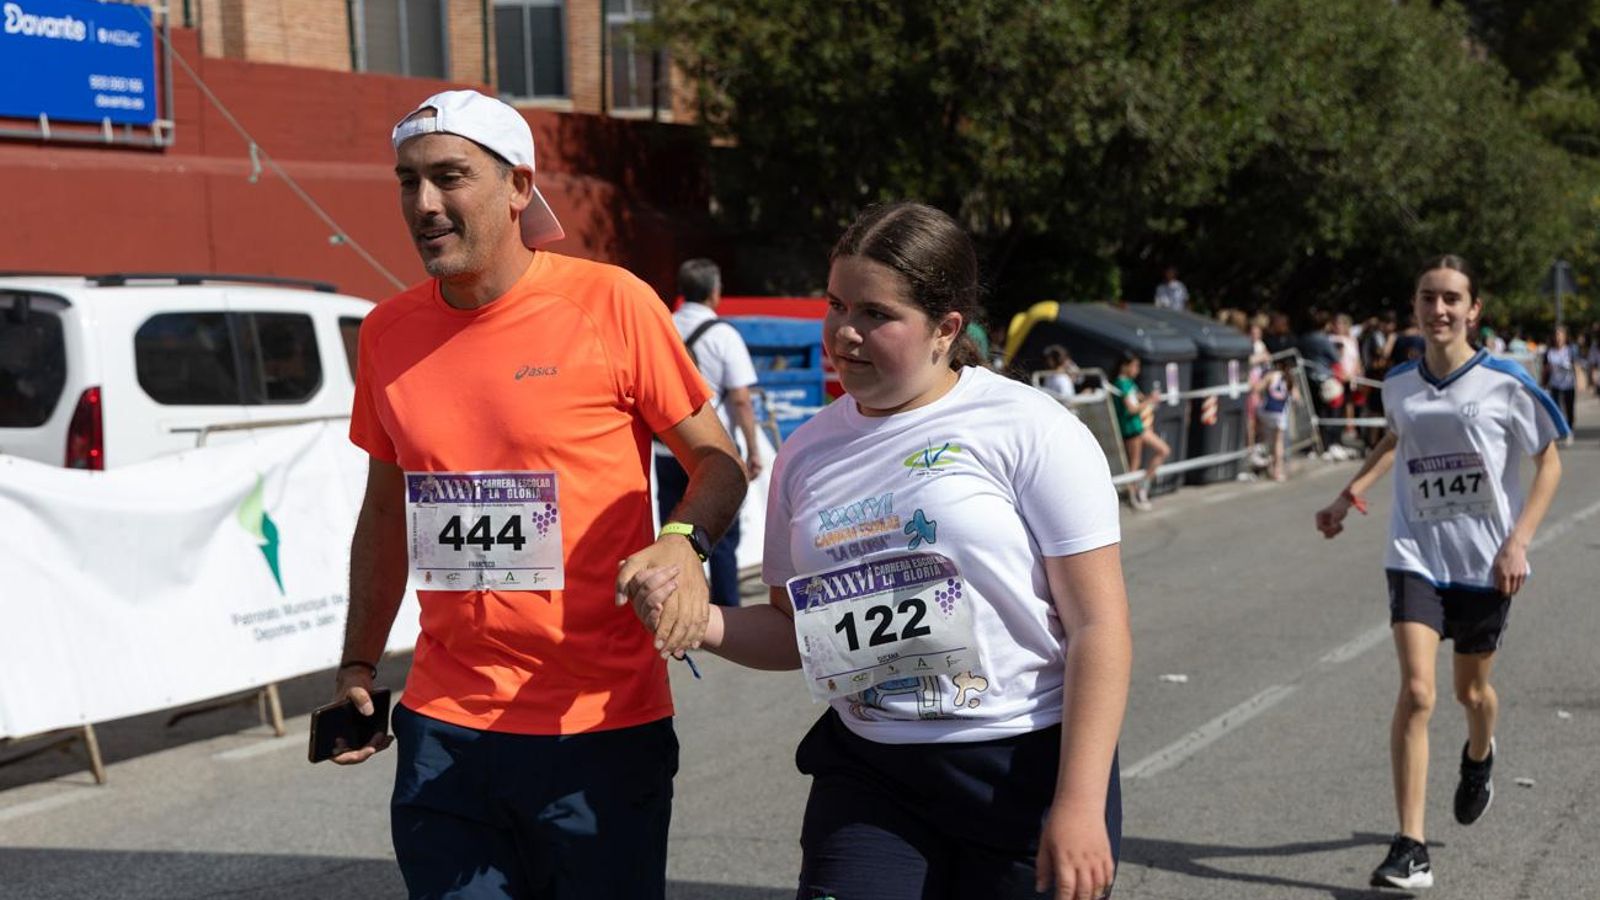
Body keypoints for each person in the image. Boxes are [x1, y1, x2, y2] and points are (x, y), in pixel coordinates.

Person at [625, 202, 1130, 900]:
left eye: (876, 314)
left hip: (1021, 765)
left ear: (946, 329)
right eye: (835, 305)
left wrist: (1078, 803)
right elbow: (797, 630)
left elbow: (1100, 627)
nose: (845, 333)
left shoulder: (1030, 428)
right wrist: (698, 619)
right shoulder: (804, 455)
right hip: (871, 773)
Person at [330, 89, 748, 899]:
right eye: (406, 181)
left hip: (596, 726)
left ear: (519, 187)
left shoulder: (611, 303)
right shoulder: (387, 331)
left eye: (449, 177)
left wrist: (682, 542)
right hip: (443, 723)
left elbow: (718, 463)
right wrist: (356, 661)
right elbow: (387, 513)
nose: (424, 204)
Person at [1314, 255, 1566, 891]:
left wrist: (1518, 542)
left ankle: (1480, 754)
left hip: (1485, 562)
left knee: (1471, 695)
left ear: (1474, 309)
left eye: (1453, 299)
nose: (1440, 309)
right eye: (1429, 298)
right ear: (1417, 305)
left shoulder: (1506, 382)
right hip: (1416, 554)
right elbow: (1395, 438)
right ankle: (1411, 846)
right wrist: (1349, 495)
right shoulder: (1399, 381)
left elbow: (1550, 463)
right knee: (1419, 693)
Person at [654, 258, 763, 607]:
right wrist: (752, 450)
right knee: (721, 536)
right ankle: (725, 613)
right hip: (710, 452)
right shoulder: (723, 335)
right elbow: (742, 400)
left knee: (675, 532)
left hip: (665, 450)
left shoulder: (662, 327)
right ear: (715, 293)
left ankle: (679, 606)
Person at [1112, 352, 1169, 511]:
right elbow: (1131, 409)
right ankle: (1134, 497)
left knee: (1163, 450)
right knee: (1134, 465)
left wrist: (1148, 398)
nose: (1137, 370)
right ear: (1125, 366)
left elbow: (1139, 399)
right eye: (1135, 366)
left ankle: (1143, 487)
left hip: (1139, 427)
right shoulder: (1122, 384)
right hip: (1131, 429)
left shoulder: (1129, 383)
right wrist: (1149, 401)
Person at [1253, 357, 1297, 482]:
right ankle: (1278, 470)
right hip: (1280, 414)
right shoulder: (1289, 379)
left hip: (1266, 412)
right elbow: (1296, 396)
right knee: (1278, 443)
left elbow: (1257, 388)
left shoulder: (1271, 376)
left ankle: (1268, 466)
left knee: (1266, 440)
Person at [1541, 325, 1577, 444]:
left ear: (1565, 337)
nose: (1558, 338)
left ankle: (1569, 431)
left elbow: (1576, 366)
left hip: (1568, 384)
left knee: (1569, 408)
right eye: (1556, 335)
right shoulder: (1549, 352)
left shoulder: (1570, 350)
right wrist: (1543, 383)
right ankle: (1559, 431)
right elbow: (1544, 369)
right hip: (1555, 384)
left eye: (1560, 335)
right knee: (1556, 408)